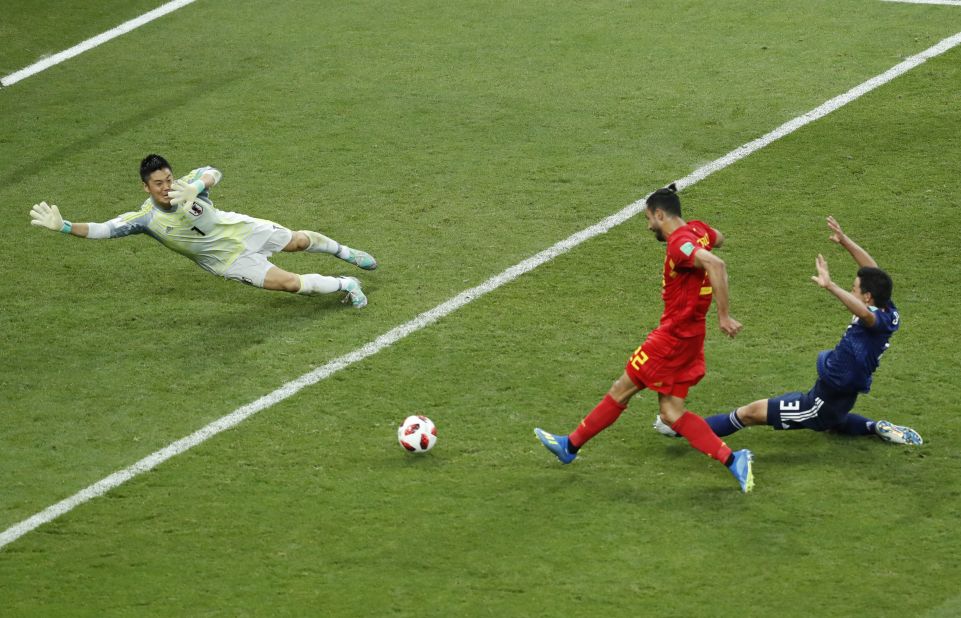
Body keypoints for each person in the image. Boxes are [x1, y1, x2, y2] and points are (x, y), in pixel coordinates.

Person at [534, 184, 755, 493]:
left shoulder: (679, 244)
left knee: (621, 389)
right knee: (671, 412)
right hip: (691, 337)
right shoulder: (697, 230)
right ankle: (734, 460)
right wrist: (699, 242)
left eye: (649, 218)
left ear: (660, 214)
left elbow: (716, 263)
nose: (649, 225)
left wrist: (724, 315)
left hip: (672, 338)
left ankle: (569, 446)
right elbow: (718, 238)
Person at [674, 216, 922, 445]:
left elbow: (864, 314)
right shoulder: (889, 310)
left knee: (749, 414)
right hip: (843, 388)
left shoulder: (872, 317)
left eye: (855, 288)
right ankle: (876, 427)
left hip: (825, 395)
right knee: (833, 421)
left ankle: (680, 428)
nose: (853, 290)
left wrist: (830, 286)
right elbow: (874, 272)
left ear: (868, 297)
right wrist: (845, 241)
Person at [29, 154, 377, 307]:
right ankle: (347, 284)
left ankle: (344, 252)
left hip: (242, 229)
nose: (166, 187)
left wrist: (197, 187)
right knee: (290, 284)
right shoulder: (145, 219)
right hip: (228, 261)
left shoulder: (189, 186)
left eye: (168, 179)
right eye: (158, 184)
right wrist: (64, 227)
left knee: (299, 242)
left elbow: (213, 171)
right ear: (145, 188)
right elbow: (104, 229)